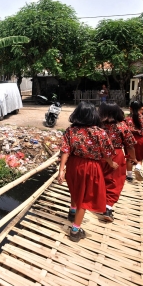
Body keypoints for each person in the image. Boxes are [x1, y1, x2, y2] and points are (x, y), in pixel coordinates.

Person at [58, 102, 118, 242]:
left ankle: (72, 212)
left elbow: (65, 151)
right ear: (93, 115)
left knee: (75, 190)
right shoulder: (99, 132)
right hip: (91, 167)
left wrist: (61, 170)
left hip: (73, 166)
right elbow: (107, 153)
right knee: (85, 198)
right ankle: (75, 230)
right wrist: (111, 163)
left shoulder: (70, 131)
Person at [98, 103, 137, 222]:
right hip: (116, 155)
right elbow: (130, 145)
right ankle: (107, 208)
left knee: (99, 178)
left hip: (98, 155)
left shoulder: (97, 126)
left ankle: (95, 201)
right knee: (116, 180)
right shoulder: (122, 126)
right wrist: (133, 158)